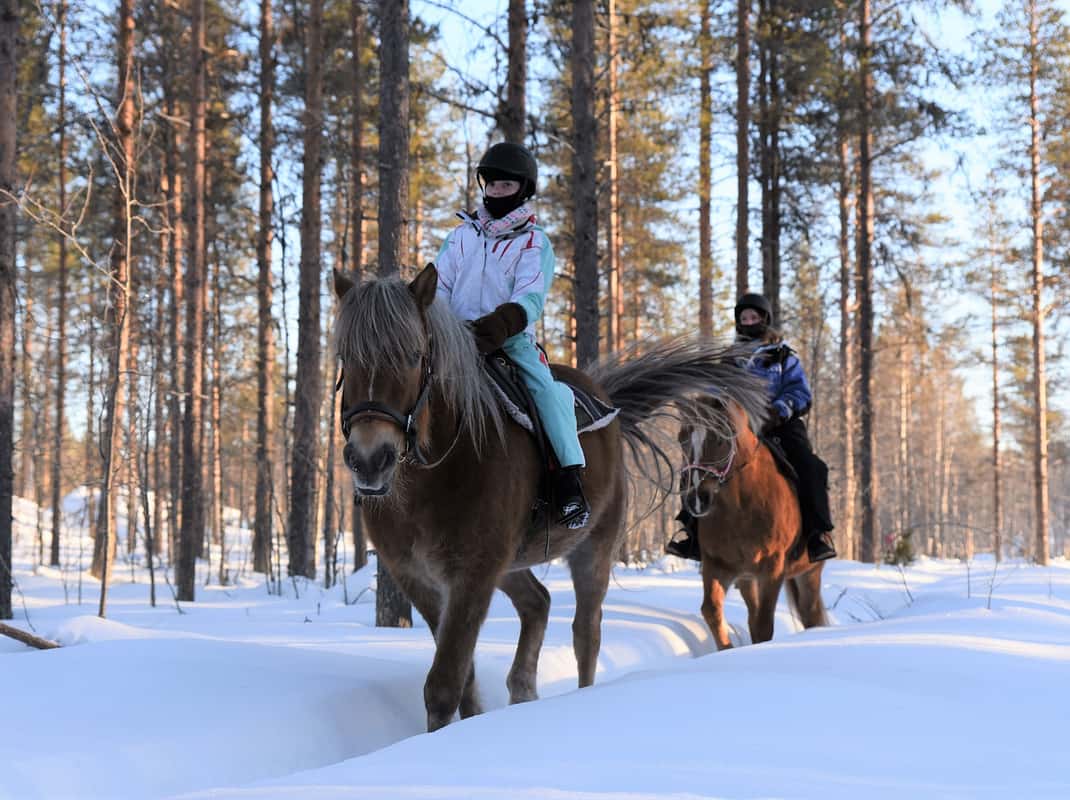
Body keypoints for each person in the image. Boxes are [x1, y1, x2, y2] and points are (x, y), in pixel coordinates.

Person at [433, 141, 590, 529]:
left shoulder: (535, 242)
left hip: (510, 339)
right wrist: (439, 323)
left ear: (523, 189)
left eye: (506, 186)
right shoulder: (460, 237)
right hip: (454, 339)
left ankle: (568, 482)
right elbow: (439, 285)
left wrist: (503, 322)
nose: (497, 191)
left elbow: (531, 293)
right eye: (492, 184)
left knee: (547, 392)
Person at [666, 292, 836, 562]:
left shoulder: (782, 356)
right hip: (737, 427)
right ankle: (692, 534)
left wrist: (778, 411)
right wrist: (708, 407)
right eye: (743, 318)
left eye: (753, 317)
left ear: (764, 320)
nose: (748, 322)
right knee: (699, 462)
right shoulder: (731, 359)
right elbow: (714, 390)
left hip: (778, 425)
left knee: (812, 466)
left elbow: (800, 392)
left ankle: (817, 534)